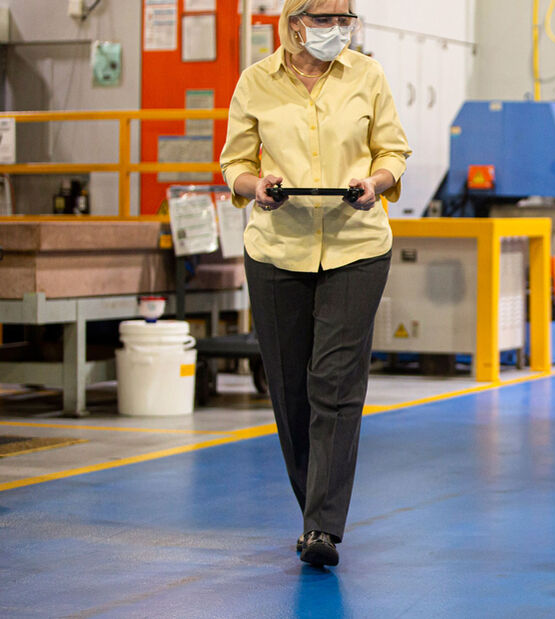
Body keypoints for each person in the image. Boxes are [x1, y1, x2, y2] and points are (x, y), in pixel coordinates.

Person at [220, 0, 410, 567]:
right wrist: (257, 185)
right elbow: (234, 165)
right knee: (291, 391)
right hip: (277, 249)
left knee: (335, 384)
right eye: (324, 17)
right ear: (294, 20)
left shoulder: (368, 75)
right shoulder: (255, 82)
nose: (336, 29)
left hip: (356, 247)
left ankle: (323, 528)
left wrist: (375, 181)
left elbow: (394, 152)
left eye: (344, 17)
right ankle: (314, 512)